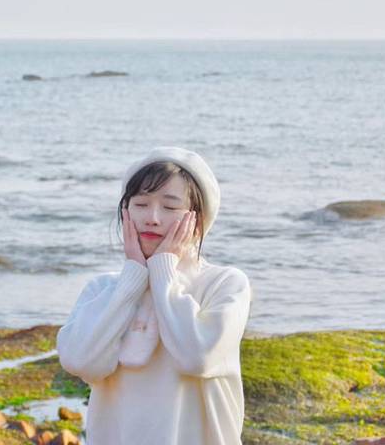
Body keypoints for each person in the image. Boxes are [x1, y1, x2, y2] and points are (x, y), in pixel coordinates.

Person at [56, 146, 252, 445]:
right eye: (141, 204)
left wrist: (163, 272)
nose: (153, 218)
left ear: (198, 220)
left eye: (170, 207)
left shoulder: (224, 284)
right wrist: (131, 281)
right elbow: (80, 362)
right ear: (125, 211)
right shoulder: (102, 289)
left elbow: (197, 357)